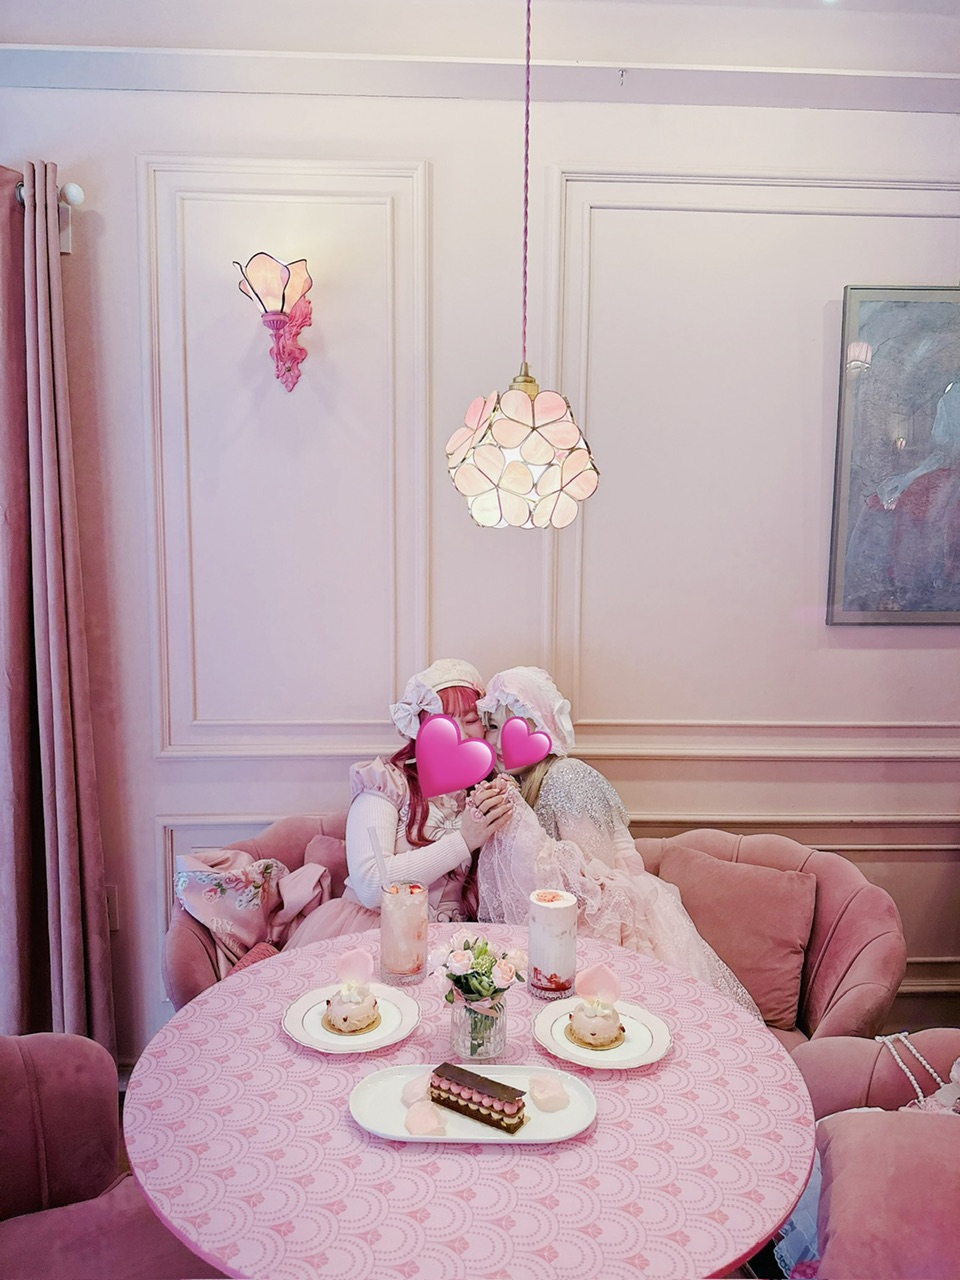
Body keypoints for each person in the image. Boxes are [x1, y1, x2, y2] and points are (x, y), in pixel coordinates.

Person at [475, 666, 760, 1015]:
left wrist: (518, 821)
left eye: (510, 727)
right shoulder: (523, 784)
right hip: (564, 936)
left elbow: (600, 889)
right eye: (491, 727)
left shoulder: (567, 777)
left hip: (611, 932)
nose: (495, 742)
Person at [286, 658, 511, 947]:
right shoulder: (386, 783)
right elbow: (371, 884)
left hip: (447, 944)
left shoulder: (481, 789)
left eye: (470, 721)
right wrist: (464, 841)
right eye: (442, 724)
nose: (461, 734)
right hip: (371, 933)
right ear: (420, 727)